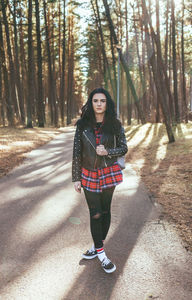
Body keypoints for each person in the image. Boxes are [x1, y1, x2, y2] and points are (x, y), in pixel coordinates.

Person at [72, 87, 128, 273]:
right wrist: (76, 177)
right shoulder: (82, 125)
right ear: (91, 102)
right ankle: (102, 254)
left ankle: (97, 246)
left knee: (105, 211)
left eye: (102, 101)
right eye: (95, 101)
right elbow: (77, 152)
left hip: (108, 171)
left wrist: (108, 152)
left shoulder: (115, 124)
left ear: (107, 103)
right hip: (88, 174)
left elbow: (123, 148)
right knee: (95, 213)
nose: (99, 104)